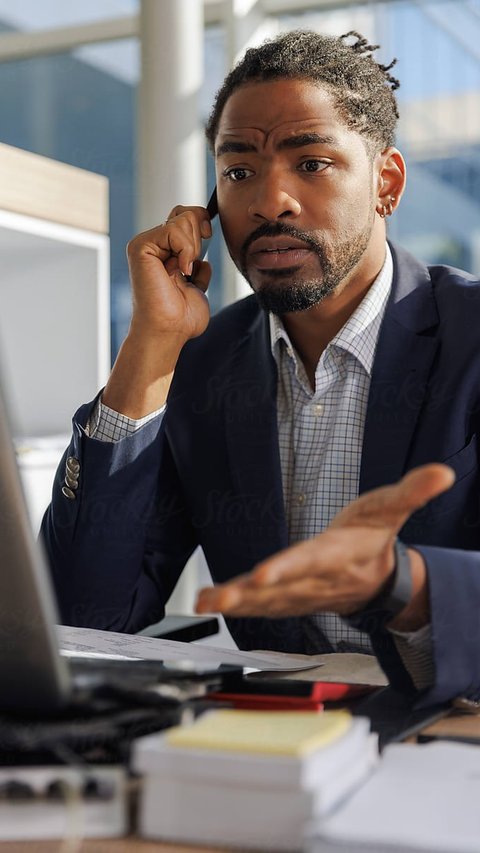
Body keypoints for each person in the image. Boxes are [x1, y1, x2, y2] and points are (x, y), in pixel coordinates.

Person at [43, 30, 480, 707]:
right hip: (267, 742)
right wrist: (149, 353)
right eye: (239, 171)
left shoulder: (469, 337)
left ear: (386, 184)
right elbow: (84, 615)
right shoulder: (206, 365)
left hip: (451, 729)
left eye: (311, 163)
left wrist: (404, 583)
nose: (270, 201)